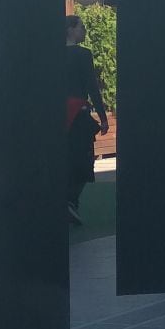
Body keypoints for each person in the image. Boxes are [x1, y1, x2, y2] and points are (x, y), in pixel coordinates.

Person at [65, 13, 109, 224]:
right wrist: (103, 117)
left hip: (59, 114)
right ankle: (71, 199)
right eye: (81, 27)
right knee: (84, 157)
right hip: (78, 114)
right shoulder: (83, 55)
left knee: (65, 156)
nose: (84, 30)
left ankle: (68, 201)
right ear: (71, 30)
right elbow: (92, 86)